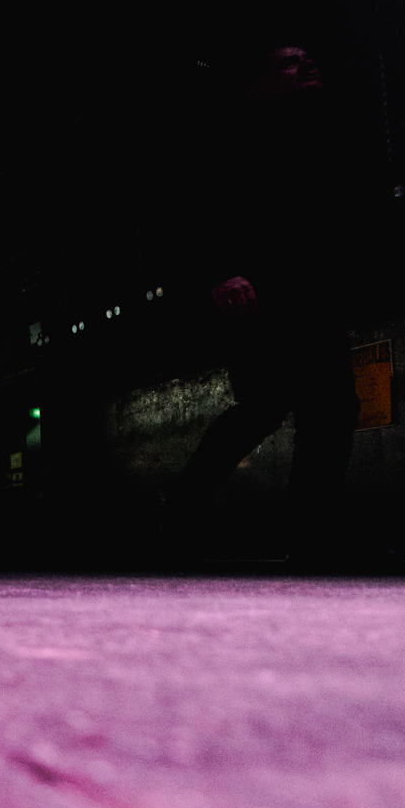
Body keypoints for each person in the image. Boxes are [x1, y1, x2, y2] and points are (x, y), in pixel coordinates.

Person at [166, 43, 362, 561]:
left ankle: (311, 535)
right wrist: (218, 273)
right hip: (260, 298)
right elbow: (193, 211)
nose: (307, 64)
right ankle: (180, 511)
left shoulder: (323, 134)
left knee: (329, 410)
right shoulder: (233, 139)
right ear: (258, 87)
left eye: (308, 58)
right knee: (266, 407)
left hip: (314, 298)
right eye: (290, 63)